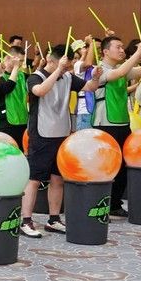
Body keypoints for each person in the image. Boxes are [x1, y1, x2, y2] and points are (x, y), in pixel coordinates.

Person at [19, 43, 103, 238]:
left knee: (58, 179)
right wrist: (58, 70)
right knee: (34, 179)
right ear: (51, 60)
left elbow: (90, 88)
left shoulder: (67, 77)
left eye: (68, 65)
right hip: (41, 134)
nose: (67, 68)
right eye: (64, 65)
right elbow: (39, 91)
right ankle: (26, 220)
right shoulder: (35, 77)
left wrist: (95, 77)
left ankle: (54, 219)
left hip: (62, 135)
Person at [90, 35, 141, 216]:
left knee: (123, 165)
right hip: (105, 123)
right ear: (105, 51)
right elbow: (120, 73)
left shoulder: (121, 68)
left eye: (123, 47)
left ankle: (114, 204)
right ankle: (98, 205)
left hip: (123, 122)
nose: (122, 50)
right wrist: (138, 52)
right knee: (105, 166)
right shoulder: (99, 70)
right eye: (118, 47)